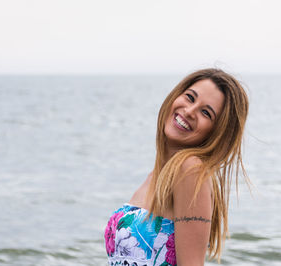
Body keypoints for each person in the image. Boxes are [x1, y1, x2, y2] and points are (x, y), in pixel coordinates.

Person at [104, 68, 249, 266]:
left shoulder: (190, 170)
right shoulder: (157, 175)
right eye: (190, 97)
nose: (189, 111)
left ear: (216, 133)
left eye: (205, 112)